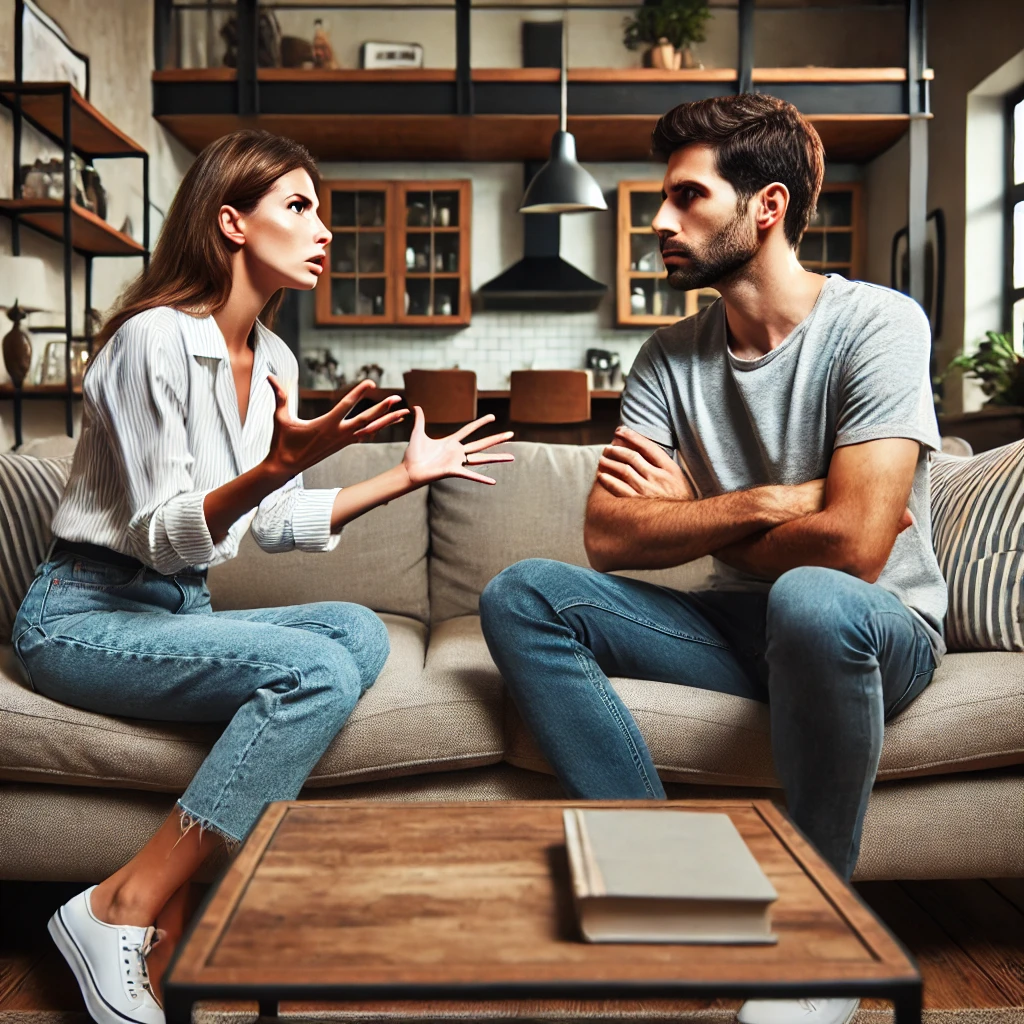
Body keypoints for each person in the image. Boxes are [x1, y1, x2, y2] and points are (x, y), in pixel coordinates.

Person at [12, 129, 513, 1024]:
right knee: (316, 671)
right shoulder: (151, 341)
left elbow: (267, 523)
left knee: (356, 632)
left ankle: (160, 902)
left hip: (177, 610)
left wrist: (404, 474)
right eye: (299, 207)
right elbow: (167, 537)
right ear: (231, 221)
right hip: (81, 612)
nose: (323, 228)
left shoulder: (275, 362)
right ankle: (117, 909)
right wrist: (275, 466)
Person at [479, 93, 945, 1024]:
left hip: (872, 627)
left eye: (687, 197)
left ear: (765, 208)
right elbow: (610, 537)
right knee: (523, 593)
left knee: (813, 597)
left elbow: (857, 547)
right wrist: (774, 500)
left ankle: (819, 950)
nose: (657, 221)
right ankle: (678, 898)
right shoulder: (665, 360)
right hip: (744, 624)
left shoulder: (877, 325)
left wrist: (694, 512)